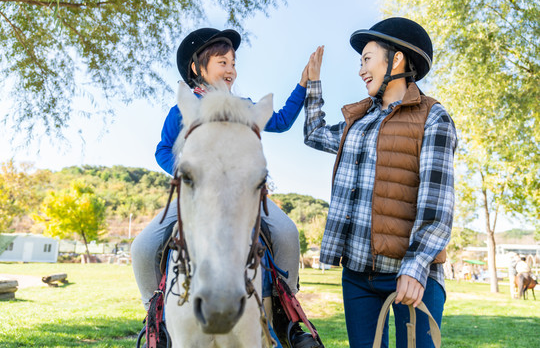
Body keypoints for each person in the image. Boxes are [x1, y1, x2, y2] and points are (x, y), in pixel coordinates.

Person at [131, 27, 311, 347]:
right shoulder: (183, 109)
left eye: (233, 63)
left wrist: (302, 85)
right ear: (198, 68)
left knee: (286, 233)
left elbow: (281, 121)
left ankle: (288, 316)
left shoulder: (243, 106)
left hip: (241, 194)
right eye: (221, 62)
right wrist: (192, 175)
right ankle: (154, 319)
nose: (230, 70)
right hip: (196, 192)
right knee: (143, 247)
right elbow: (162, 149)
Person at [303, 17, 457, 347]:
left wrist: (415, 268)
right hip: (357, 277)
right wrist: (313, 84)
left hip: (413, 276)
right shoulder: (358, 121)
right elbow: (314, 134)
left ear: (396, 59)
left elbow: (436, 205)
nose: (361, 70)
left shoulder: (433, 117)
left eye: (367, 59)